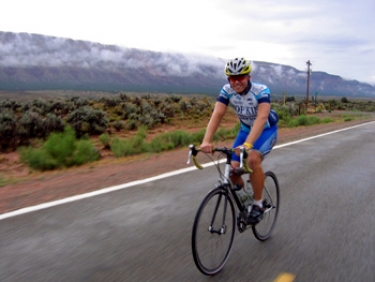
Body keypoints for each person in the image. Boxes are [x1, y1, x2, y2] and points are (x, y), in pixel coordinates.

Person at [200, 58, 278, 225]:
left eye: (240, 77)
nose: (236, 82)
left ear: (248, 76)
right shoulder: (227, 91)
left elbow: (262, 117)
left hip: (265, 130)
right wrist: (206, 141)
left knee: (252, 160)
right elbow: (217, 115)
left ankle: (258, 205)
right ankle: (246, 199)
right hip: (245, 131)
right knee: (233, 170)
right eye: (232, 78)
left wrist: (248, 145)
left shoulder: (261, 90)